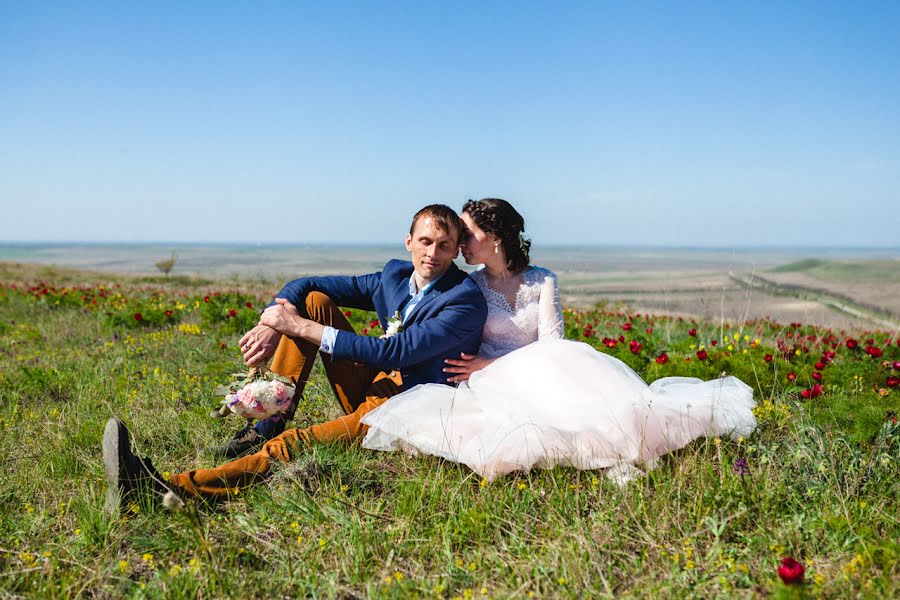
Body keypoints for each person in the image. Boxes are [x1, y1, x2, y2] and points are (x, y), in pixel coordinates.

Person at [102, 204, 488, 508]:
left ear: (456, 251)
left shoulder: (463, 299)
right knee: (315, 302)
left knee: (296, 445)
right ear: (408, 242)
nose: (432, 253)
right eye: (425, 242)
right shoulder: (393, 276)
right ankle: (265, 423)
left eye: (443, 245)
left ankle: (165, 490)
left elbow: (395, 350)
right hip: (376, 382)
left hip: (410, 408)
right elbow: (308, 286)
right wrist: (274, 322)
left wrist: (300, 327)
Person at [360, 198, 757, 484]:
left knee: (595, 412)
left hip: (540, 371)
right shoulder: (470, 286)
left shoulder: (542, 280)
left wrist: (493, 365)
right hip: (481, 380)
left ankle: (608, 456)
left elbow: (553, 344)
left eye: (468, 235)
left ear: (495, 239)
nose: (460, 243)